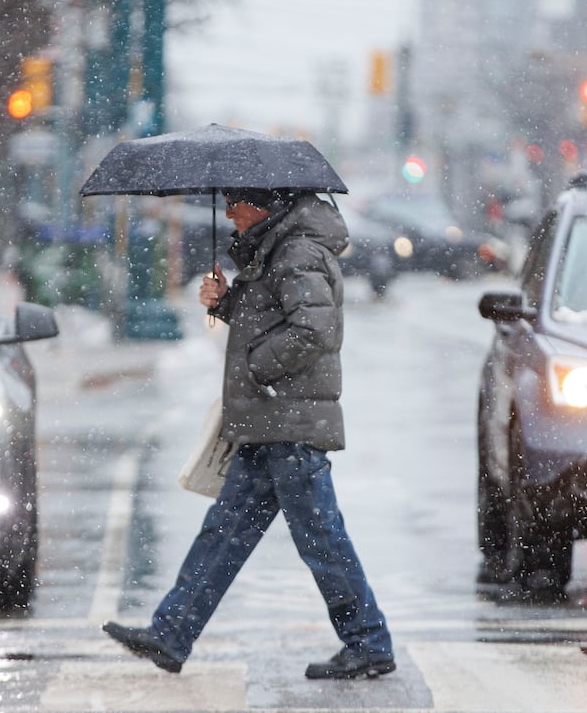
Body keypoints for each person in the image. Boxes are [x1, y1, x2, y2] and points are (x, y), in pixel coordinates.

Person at [102, 187, 394, 679]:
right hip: (269, 422)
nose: (229, 212)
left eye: (236, 202)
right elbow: (273, 318)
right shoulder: (276, 249)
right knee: (226, 532)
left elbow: (313, 329)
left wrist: (257, 367)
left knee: (320, 538)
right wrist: (227, 302)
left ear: (265, 204)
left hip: (290, 423)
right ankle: (172, 633)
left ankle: (368, 641)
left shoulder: (296, 251)